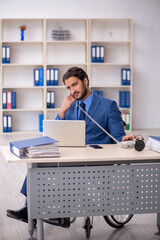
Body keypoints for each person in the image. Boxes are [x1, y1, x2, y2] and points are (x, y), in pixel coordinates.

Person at [7, 67, 135, 227]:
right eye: (68, 87)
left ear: (85, 82)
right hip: (73, 156)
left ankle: (61, 214)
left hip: (97, 161)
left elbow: (117, 136)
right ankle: (29, 210)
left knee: (62, 169)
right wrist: (61, 112)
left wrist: (124, 139)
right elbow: (53, 134)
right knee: (38, 164)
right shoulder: (70, 106)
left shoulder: (108, 105)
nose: (72, 90)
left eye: (75, 85)